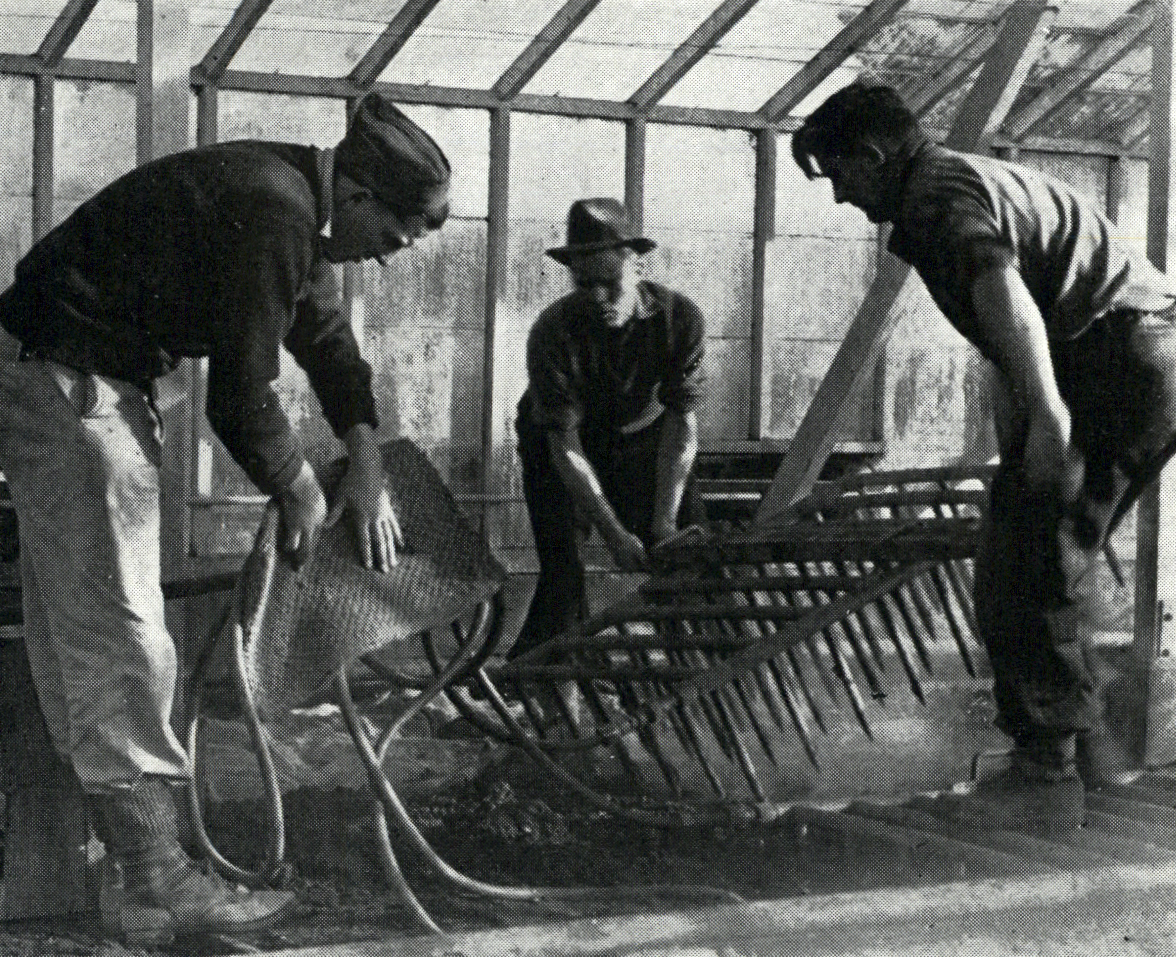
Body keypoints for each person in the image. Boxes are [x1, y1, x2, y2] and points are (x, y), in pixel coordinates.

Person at [0, 92, 450, 939]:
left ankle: (123, 872)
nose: (382, 258)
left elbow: (325, 340)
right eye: (390, 241)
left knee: (80, 627)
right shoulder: (275, 207)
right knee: (120, 631)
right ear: (356, 198)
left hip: (59, 374)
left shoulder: (293, 196)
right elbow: (243, 397)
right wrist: (297, 486)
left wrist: (368, 462)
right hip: (68, 380)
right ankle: (155, 879)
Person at [792, 81, 1176, 831]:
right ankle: (1080, 752)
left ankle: (1047, 772)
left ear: (872, 156)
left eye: (839, 174)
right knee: (1037, 539)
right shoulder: (961, 178)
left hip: (1121, 356)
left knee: (1028, 554)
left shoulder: (936, 192)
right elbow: (1010, 321)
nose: (840, 196)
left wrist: (1049, 410)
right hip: (1131, 351)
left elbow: (1001, 283)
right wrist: (1027, 420)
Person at [510, 198, 707, 661]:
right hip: (556, 441)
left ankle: (697, 661)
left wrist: (663, 519)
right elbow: (567, 447)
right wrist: (614, 533)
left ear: (636, 264)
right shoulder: (553, 331)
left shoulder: (680, 319)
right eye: (584, 285)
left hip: (642, 434)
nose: (597, 298)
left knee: (688, 551)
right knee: (563, 568)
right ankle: (541, 675)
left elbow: (683, 426)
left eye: (609, 284)